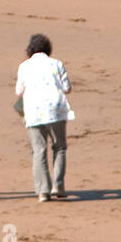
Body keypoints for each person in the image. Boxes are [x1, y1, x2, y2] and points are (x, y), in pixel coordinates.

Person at [14, 33, 72, 202]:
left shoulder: (24, 66)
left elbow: (19, 92)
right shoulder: (57, 64)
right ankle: (58, 186)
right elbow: (67, 88)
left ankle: (43, 191)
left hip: (33, 111)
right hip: (56, 110)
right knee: (59, 148)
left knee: (39, 151)